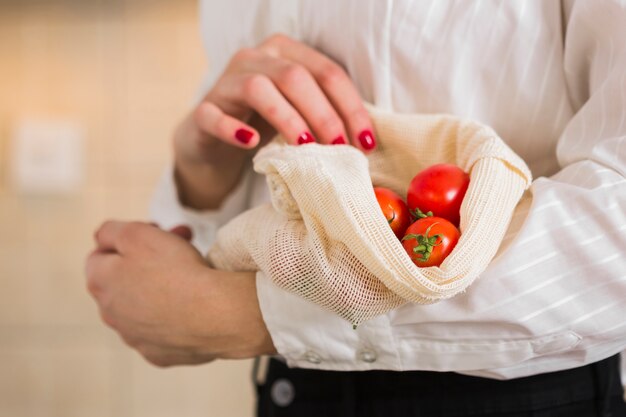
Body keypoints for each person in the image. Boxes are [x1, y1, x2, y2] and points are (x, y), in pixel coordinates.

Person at [86, 0, 626, 415]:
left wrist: (248, 314)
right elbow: (259, 219)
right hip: (292, 388)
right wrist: (203, 171)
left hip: (515, 396)